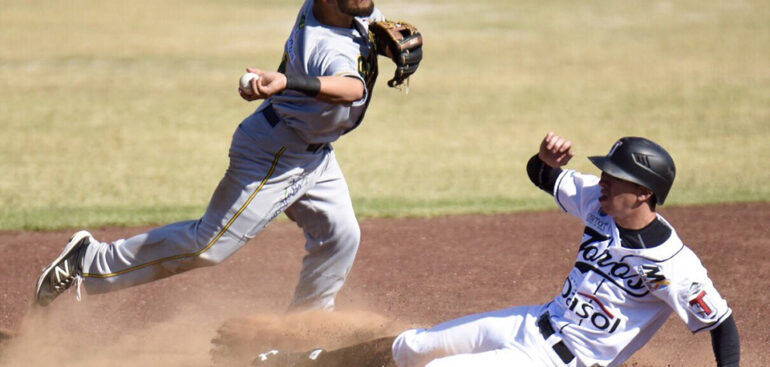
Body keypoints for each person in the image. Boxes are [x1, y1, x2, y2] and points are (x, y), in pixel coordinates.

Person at [35, 0, 417, 312]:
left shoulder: (347, 9)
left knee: (340, 235)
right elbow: (349, 89)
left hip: (314, 155)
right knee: (208, 246)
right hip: (275, 153)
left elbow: (371, 34)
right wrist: (287, 81)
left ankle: (305, 330)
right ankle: (87, 261)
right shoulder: (322, 44)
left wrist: (382, 46)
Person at [254, 132, 740, 366]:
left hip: (556, 362)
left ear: (646, 194)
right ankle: (304, 362)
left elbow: (721, 323)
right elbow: (542, 176)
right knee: (414, 347)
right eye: (607, 173)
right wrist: (543, 160)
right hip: (533, 321)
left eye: (617, 178)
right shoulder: (599, 202)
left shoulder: (673, 265)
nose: (605, 181)